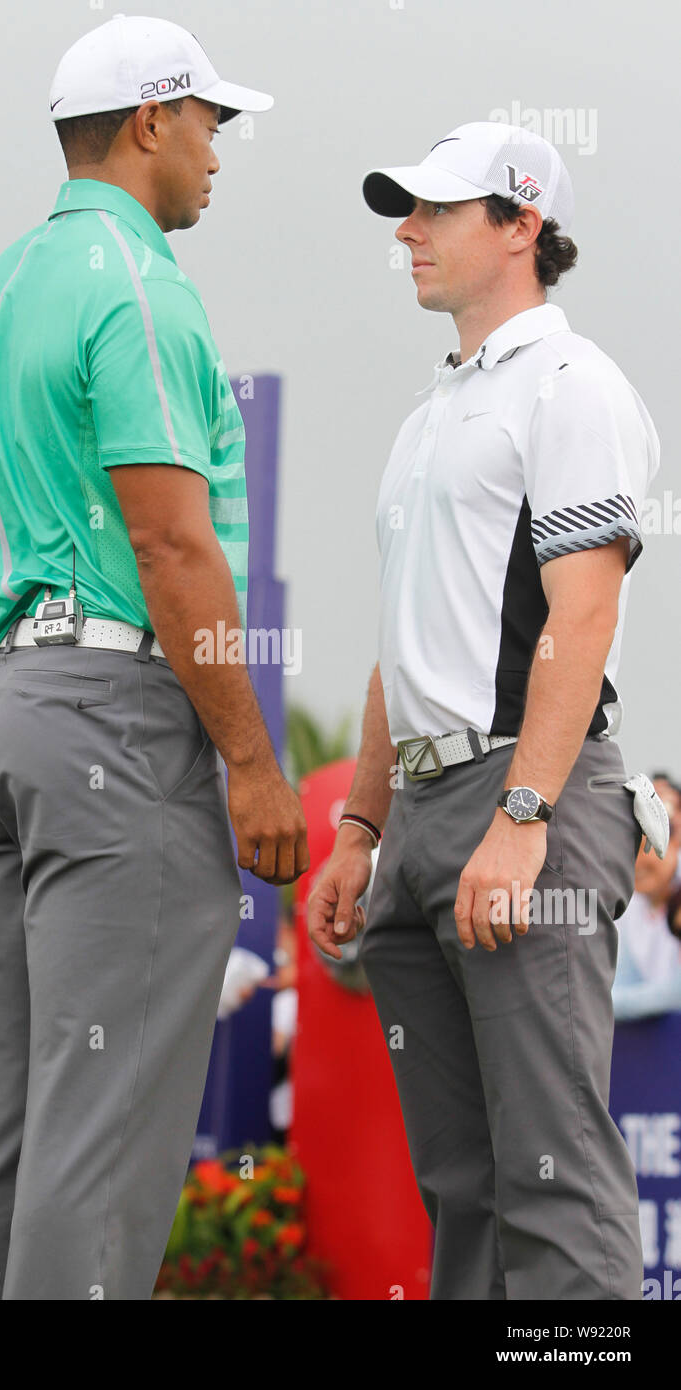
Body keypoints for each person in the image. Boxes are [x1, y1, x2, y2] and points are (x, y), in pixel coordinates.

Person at [0, 15, 307, 1301]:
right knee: (96, 1136)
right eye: (210, 120)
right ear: (151, 120)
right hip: (107, 715)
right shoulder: (140, 282)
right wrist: (251, 763)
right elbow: (170, 541)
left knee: (5, 1124)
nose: (219, 148)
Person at [308, 122, 659, 1300]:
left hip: (526, 795)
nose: (404, 232)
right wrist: (360, 829)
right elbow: (399, 647)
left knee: (551, 1173)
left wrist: (521, 814)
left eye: (436, 210)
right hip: (416, 816)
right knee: (462, 1183)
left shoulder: (571, 384)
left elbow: (582, 618)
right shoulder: (425, 418)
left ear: (521, 225)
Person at [613, 832, 681, 1021]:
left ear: (674, 840)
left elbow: (676, 993)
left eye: (644, 848)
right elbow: (622, 978)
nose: (635, 862)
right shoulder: (628, 906)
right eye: (623, 852)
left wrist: (603, 1005)